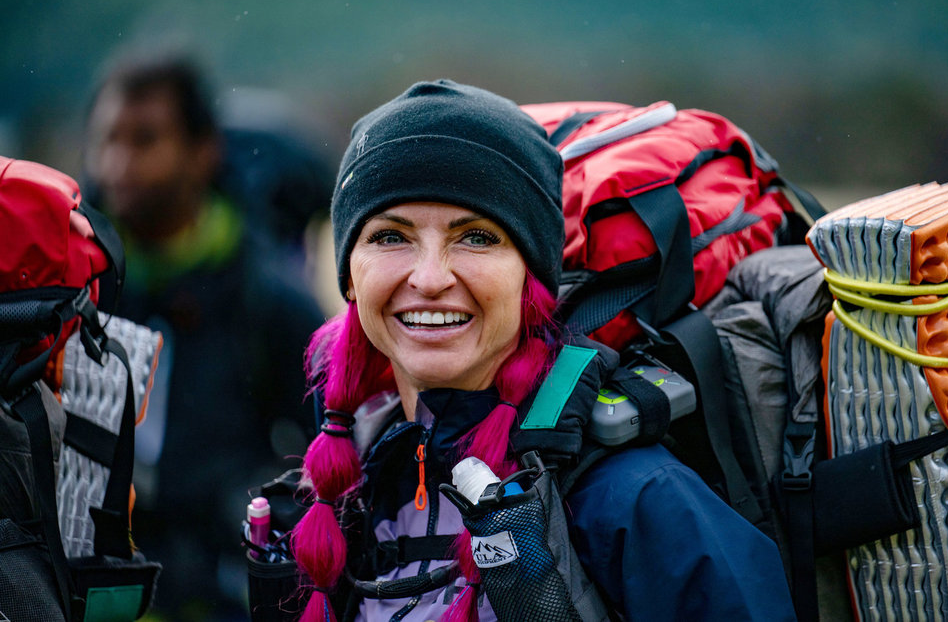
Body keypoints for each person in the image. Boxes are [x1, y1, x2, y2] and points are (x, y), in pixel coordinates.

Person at [289, 80, 796, 621]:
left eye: (477, 237)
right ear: (349, 277)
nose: (430, 278)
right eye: (390, 236)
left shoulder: (633, 498)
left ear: (532, 281)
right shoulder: (353, 488)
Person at [84, 51, 326, 620]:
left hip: (221, 593)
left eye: (145, 140)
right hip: (96, 589)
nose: (120, 163)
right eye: (108, 140)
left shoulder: (267, 297)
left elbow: (327, 447)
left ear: (203, 153)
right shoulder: (78, 288)